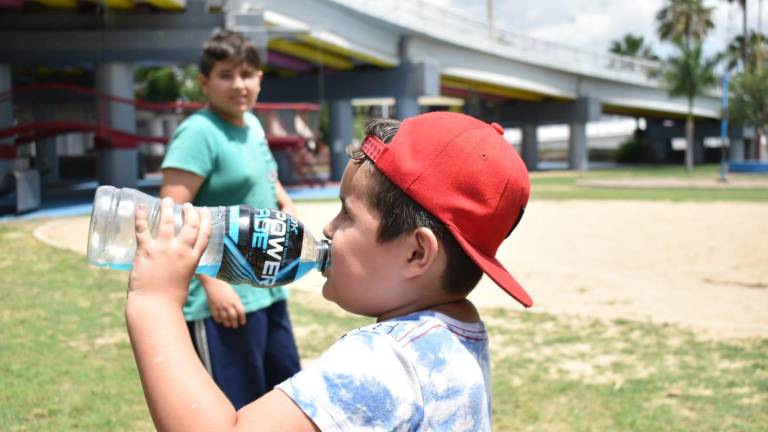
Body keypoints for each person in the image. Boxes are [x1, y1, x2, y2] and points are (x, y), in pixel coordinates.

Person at [126, 112, 532, 431]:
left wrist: (155, 303)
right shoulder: (459, 335)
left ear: (415, 253)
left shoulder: (384, 361)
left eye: (346, 214)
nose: (327, 229)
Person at [158, 30, 301, 409]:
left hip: (268, 290)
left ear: (259, 79)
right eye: (226, 75)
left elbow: (266, 176)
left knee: (282, 403)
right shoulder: (198, 133)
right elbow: (171, 216)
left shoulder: (252, 125)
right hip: (223, 300)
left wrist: (284, 201)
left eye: (247, 74)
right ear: (204, 82)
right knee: (231, 410)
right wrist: (210, 283)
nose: (239, 85)